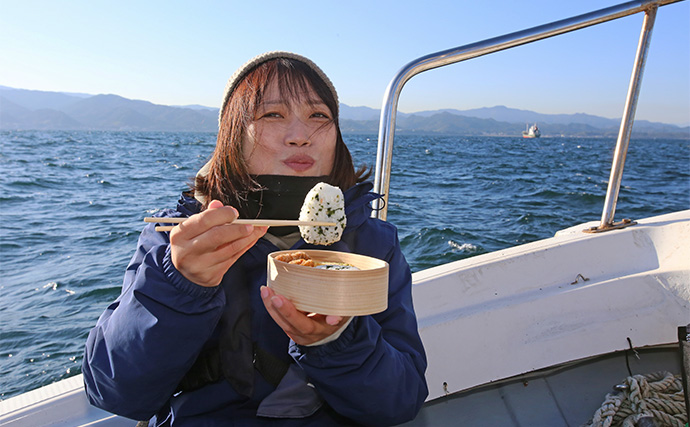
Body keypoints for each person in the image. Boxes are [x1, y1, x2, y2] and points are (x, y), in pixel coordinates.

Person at [82, 51, 428, 426]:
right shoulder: (178, 237)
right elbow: (113, 390)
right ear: (232, 136)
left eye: (319, 116)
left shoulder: (373, 243)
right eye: (272, 115)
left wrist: (336, 341)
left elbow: (401, 401)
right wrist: (181, 284)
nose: (300, 137)